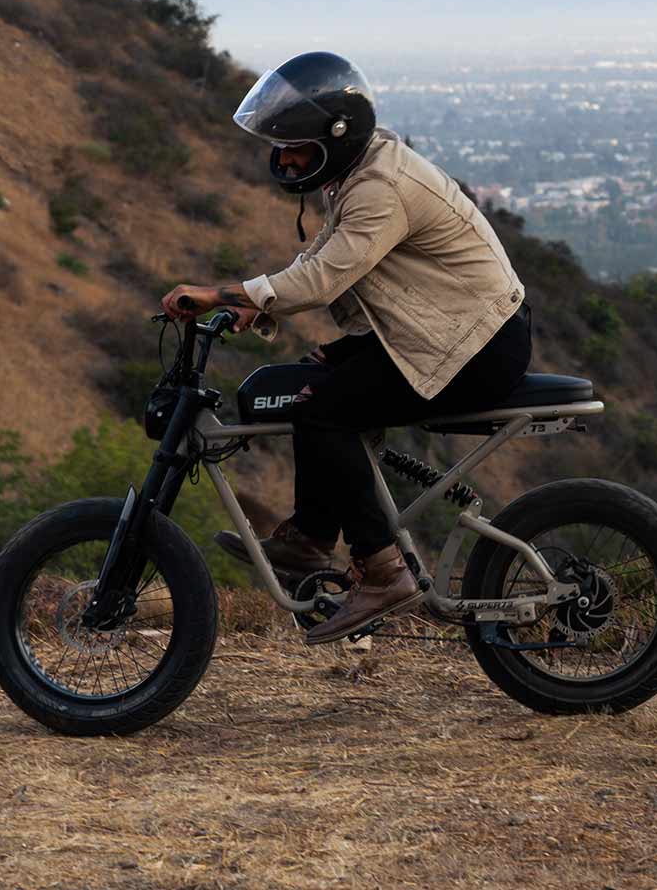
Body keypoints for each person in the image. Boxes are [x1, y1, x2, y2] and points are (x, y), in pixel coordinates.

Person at [161, 51, 530, 644]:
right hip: (440, 330)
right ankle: (308, 539)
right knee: (313, 389)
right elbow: (323, 257)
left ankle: (383, 573)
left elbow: (325, 278)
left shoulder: (380, 186)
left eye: (295, 146)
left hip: (475, 344)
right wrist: (254, 300)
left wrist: (223, 292)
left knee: (322, 410)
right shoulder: (357, 174)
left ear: (336, 138)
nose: (284, 158)